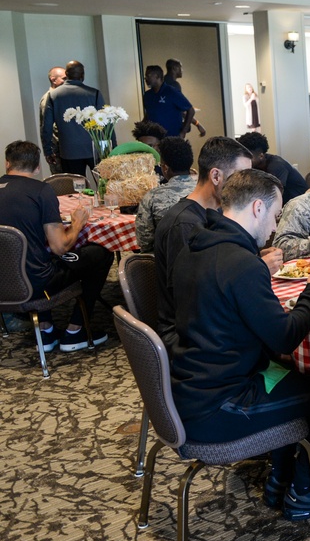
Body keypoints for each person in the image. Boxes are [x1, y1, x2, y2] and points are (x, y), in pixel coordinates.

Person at [170, 168, 310, 521]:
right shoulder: (241, 264)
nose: (274, 228)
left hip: (190, 385)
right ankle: (304, 493)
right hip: (219, 405)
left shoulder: (196, 247)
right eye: (274, 216)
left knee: (292, 374)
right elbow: (286, 335)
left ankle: (280, 479)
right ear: (257, 208)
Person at [0, 141, 112, 351]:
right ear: (37, 168)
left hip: (4, 284)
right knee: (101, 253)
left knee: (37, 255)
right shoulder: (41, 191)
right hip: (36, 285)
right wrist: (78, 223)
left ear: (7, 164)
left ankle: (46, 329)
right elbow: (60, 246)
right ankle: (75, 331)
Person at [154, 137, 254, 348]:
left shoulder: (215, 213)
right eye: (240, 178)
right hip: (188, 338)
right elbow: (192, 298)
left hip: (207, 321)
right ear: (216, 176)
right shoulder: (185, 224)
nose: (246, 187)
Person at [41, 61, 107, 176]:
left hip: (69, 151)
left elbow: (46, 127)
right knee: (103, 184)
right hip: (94, 149)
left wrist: (48, 151)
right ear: (83, 75)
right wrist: (111, 148)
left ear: (66, 74)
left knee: (76, 188)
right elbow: (106, 123)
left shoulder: (53, 96)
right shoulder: (94, 94)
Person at [134, 137, 196, 253]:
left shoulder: (152, 197)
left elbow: (144, 241)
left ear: (166, 168)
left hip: (167, 263)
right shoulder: (207, 190)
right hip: (208, 260)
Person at [235, 132, 307, 205]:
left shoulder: (277, 166)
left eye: (248, 157)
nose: (244, 159)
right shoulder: (255, 165)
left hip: (297, 203)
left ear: (261, 156)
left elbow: (273, 195)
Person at [142, 65, 195, 138]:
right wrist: (141, 128)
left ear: (157, 76)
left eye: (148, 75)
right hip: (154, 139)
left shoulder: (171, 92)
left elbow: (190, 110)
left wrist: (183, 132)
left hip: (172, 138)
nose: (145, 78)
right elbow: (148, 114)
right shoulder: (147, 95)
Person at [164, 59, 207, 138]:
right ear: (174, 68)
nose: (182, 70)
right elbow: (182, 110)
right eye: (180, 67)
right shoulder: (173, 85)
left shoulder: (163, 82)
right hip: (172, 129)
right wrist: (197, 124)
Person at [38, 66, 66, 172]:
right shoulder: (48, 99)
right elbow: (45, 127)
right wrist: (48, 151)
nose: (67, 82)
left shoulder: (61, 97)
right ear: (53, 80)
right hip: (57, 151)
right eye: (64, 78)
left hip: (66, 149)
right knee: (62, 182)